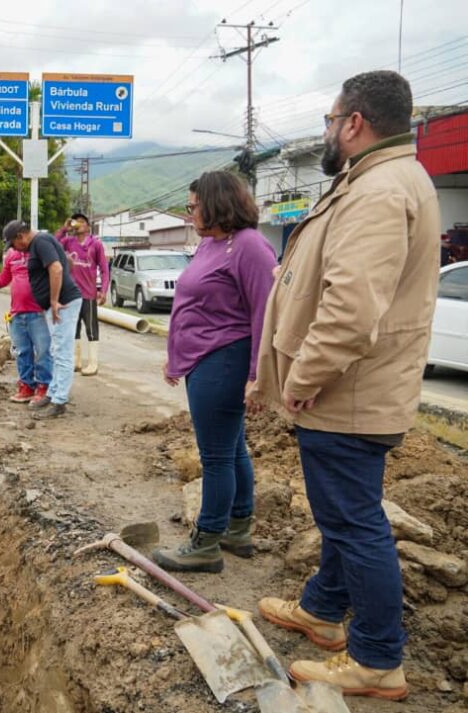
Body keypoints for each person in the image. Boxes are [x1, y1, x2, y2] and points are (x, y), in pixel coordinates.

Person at [248, 70, 439, 701]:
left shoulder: (379, 191)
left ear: (354, 122)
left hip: (348, 395)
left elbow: (351, 307)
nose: (328, 131)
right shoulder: (377, 181)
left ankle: (378, 659)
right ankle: (324, 612)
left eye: (331, 120)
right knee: (344, 515)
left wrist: (304, 378)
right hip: (355, 391)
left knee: (355, 523)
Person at [151, 171, 276, 574]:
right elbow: (193, 306)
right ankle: (237, 530)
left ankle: (206, 543)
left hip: (224, 360)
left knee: (217, 457)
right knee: (233, 449)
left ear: (217, 203)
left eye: (193, 206)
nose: (190, 214)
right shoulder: (211, 245)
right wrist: (175, 354)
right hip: (204, 359)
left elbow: (265, 314)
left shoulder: (249, 247)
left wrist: (258, 376)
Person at [1, 219, 82, 420]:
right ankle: (53, 394)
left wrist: (54, 300)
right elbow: (66, 262)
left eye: (13, 243)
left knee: (62, 352)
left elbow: (57, 268)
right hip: (57, 304)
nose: (15, 248)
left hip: (63, 304)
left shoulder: (41, 241)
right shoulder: (43, 241)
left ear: (20, 236)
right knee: (55, 350)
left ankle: (59, 401)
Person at [0, 244, 52, 405]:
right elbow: (2, 280)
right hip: (17, 312)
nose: (12, 245)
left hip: (39, 313)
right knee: (22, 352)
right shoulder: (12, 255)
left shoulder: (41, 251)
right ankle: (27, 386)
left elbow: (55, 273)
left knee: (43, 351)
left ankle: (44, 387)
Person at [56, 213, 108, 376]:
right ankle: (76, 361)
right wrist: (64, 229)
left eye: (81, 221)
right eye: (75, 221)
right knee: (73, 327)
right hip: (72, 293)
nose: (78, 223)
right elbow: (53, 244)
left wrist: (103, 290)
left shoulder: (95, 244)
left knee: (91, 328)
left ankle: (93, 363)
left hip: (89, 293)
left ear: (87, 226)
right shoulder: (68, 242)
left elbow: (105, 269)